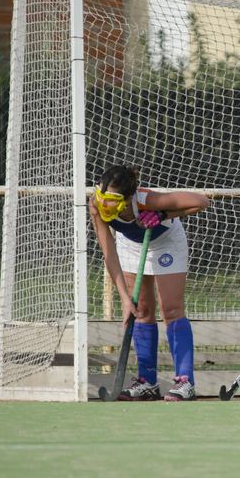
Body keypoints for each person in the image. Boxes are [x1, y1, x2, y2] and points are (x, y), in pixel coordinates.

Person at [90, 164, 210, 401]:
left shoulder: (147, 200)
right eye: (102, 196)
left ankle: (185, 382)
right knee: (141, 310)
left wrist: (163, 215)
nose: (104, 204)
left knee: (171, 310)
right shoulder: (96, 206)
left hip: (167, 242)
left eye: (111, 199)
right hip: (131, 247)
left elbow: (202, 201)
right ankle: (147, 382)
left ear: (128, 198)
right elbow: (109, 254)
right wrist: (124, 299)